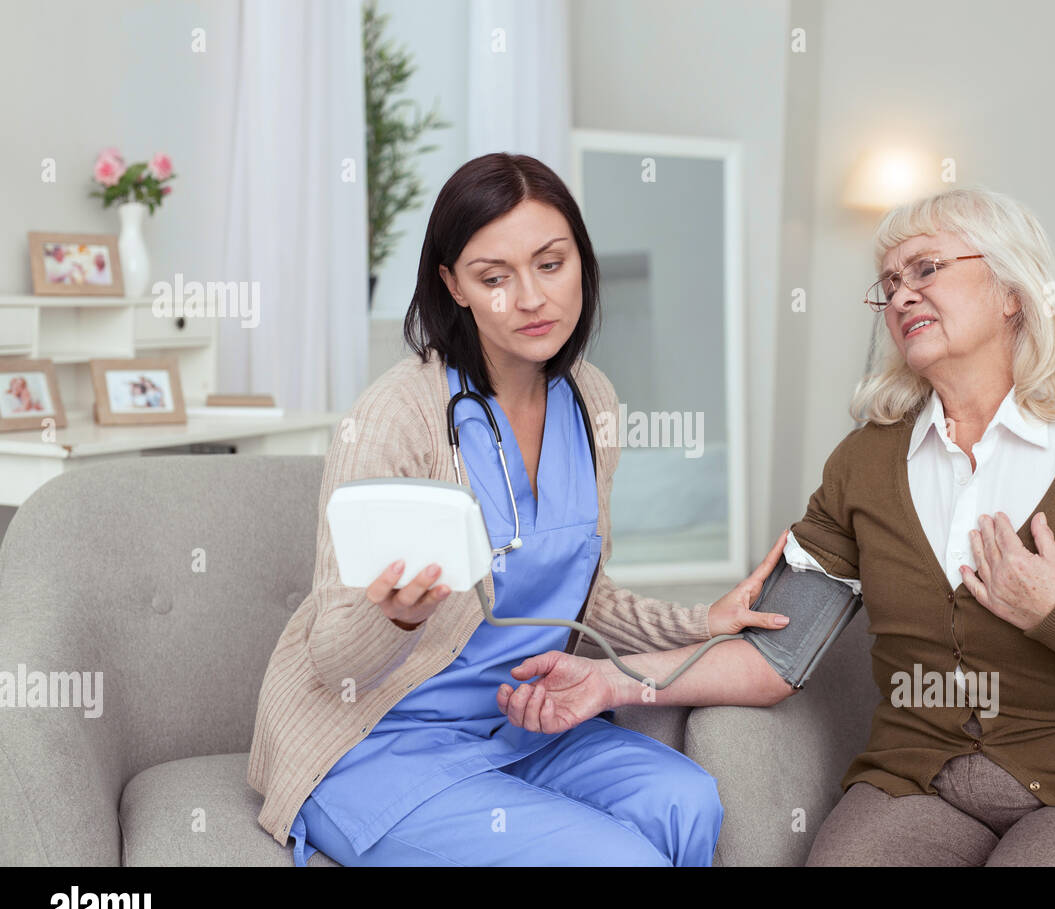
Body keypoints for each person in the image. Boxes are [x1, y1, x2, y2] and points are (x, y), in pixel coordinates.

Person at [498, 186, 1055, 866]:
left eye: (925, 270)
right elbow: (777, 655)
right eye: (888, 284)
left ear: (1012, 290)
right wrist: (604, 679)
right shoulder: (865, 463)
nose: (900, 296)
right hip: (924, 781)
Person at [246, 152, 789, 866]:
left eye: (550, 264)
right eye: (493, 277)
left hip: (518, 723)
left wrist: (704, 621)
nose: (530, 298)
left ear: (582, 264)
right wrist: (398, 617)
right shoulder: (396, 417)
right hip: (377, 741)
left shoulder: (591, 399)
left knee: (688, 804)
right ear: (454, 286)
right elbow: (332, 653)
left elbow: (576, 594)